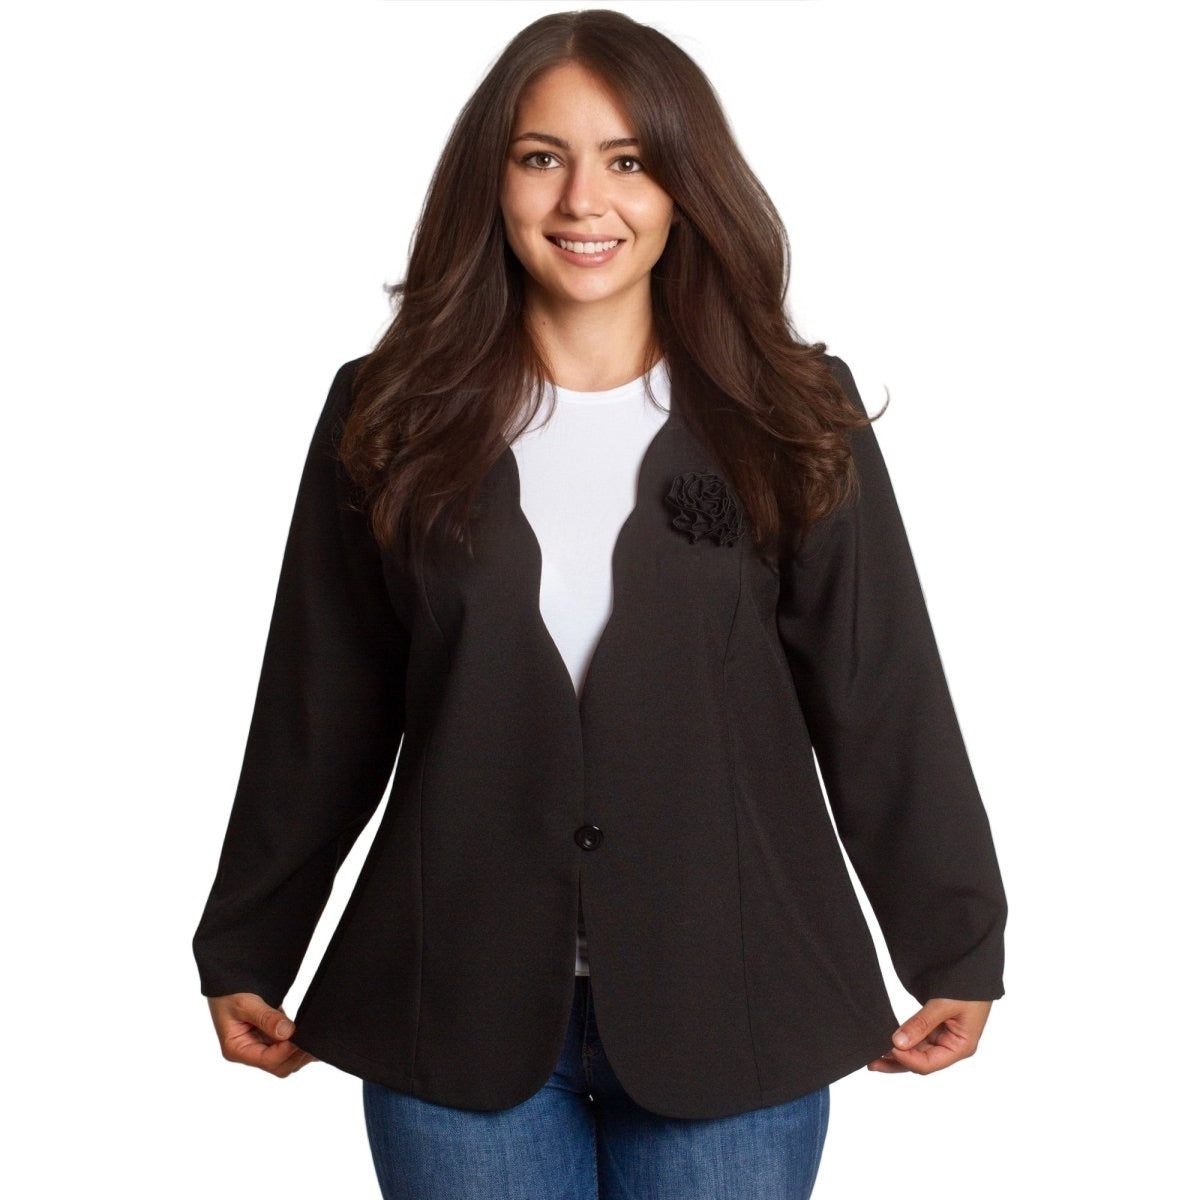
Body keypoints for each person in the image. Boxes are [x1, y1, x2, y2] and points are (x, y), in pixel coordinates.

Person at [194, 10, 1007, 1199]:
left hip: (736, 1007)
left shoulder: (794, 413)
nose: (585, 200)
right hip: (452, 1008)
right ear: (493, 180)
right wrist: (249, 939)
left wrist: (955, 939)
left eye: (628, 160)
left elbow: (879, 691)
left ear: (685, 186)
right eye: (542, 157)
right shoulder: (386, 415)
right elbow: (322, 703)